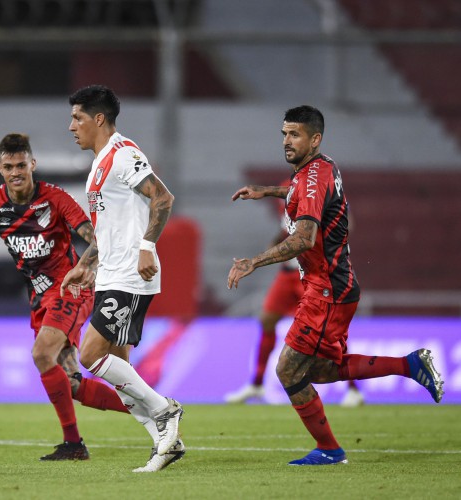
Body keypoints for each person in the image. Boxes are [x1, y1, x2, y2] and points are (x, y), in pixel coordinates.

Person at [227, 105, 444, 466]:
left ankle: (330, 449)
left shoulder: (311, 177)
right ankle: (410, 365)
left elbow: (304, 239)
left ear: (315, 138)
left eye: (294, 134)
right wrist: (265, 191)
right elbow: (302, 191)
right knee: (322, 370)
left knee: (288, 370)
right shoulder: (319, 169)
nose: (286, 141)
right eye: (284, 133)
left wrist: (254, 261)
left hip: (326, 290)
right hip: (332, 286)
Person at [0, 133, 132, 461]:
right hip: (40, 297)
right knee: (71, 384)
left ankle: (82, 439)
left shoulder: (55, 199)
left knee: (42, 354)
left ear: (33, 165)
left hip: (70, 288)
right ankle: (150, 409)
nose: (16, 172)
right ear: (0, 169)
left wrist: (85, 267)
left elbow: (95, 238)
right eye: (8, 166)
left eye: (21, 165)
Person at [61, 85, 185, 473]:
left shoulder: (123, 153)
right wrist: (86, 264)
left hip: (132, 273)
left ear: (99, 119)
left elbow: (163, 198)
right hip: (110, 273)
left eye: (77, 118)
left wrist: (147, 245)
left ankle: (166, 410)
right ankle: (166, 445)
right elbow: (107, 227)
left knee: (88, 355)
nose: (71, 127)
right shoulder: (99, 164)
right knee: (120, 373)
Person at [225, 184, 364, 408]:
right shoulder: (291, 207)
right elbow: (287, 233)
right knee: (267, 320)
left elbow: (342, 224)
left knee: (329, 331)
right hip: (287, 274)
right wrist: (272, 245)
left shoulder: (320, 198)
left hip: (311, 274)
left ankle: (353, 389)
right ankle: (257, 384)